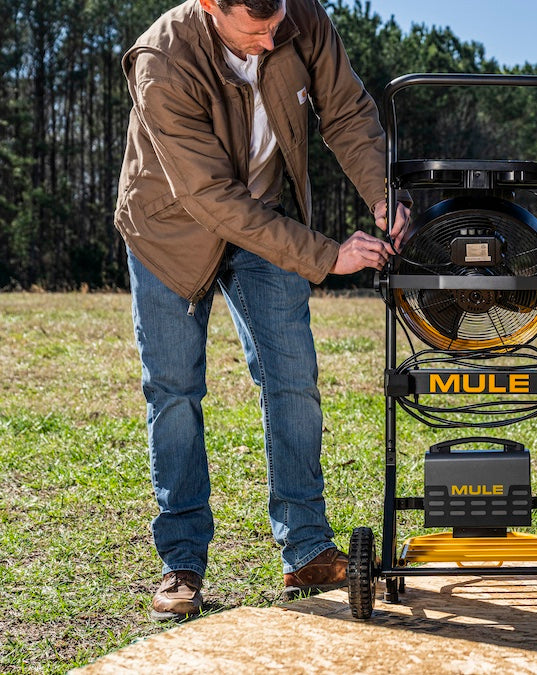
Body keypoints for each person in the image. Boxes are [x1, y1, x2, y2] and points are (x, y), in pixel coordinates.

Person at [114, 0, 410, 621]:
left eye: (276, 23)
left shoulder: (300, 18)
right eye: (255, 30)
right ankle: (182, 561)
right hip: (170, 231)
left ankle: (305, 548)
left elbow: (349, 113)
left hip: (265, 216)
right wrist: (327, 255)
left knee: (293, 379)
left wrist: (383, 195)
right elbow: (211, 198)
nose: (272, 37)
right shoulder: (161, 59)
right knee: (173, 390)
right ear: (207, 6)